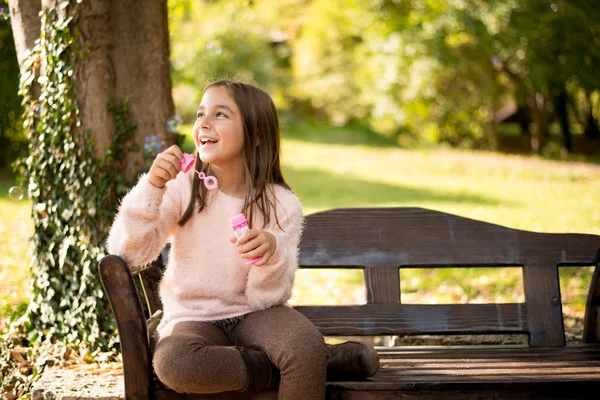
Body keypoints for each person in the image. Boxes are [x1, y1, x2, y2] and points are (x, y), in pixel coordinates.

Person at [107, 80, 379, 398]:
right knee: (176, 365)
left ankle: (309, 358)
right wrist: (152, 187)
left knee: (303, 344)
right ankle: (320, 362)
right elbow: (128, 253)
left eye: (221, 114)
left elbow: (267, 297)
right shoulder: (182, 187)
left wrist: (272, 254)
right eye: (200, 114)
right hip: (194, 316)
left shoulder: (281, 203)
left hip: (257, 313)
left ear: (258, 135)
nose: (204, 123)